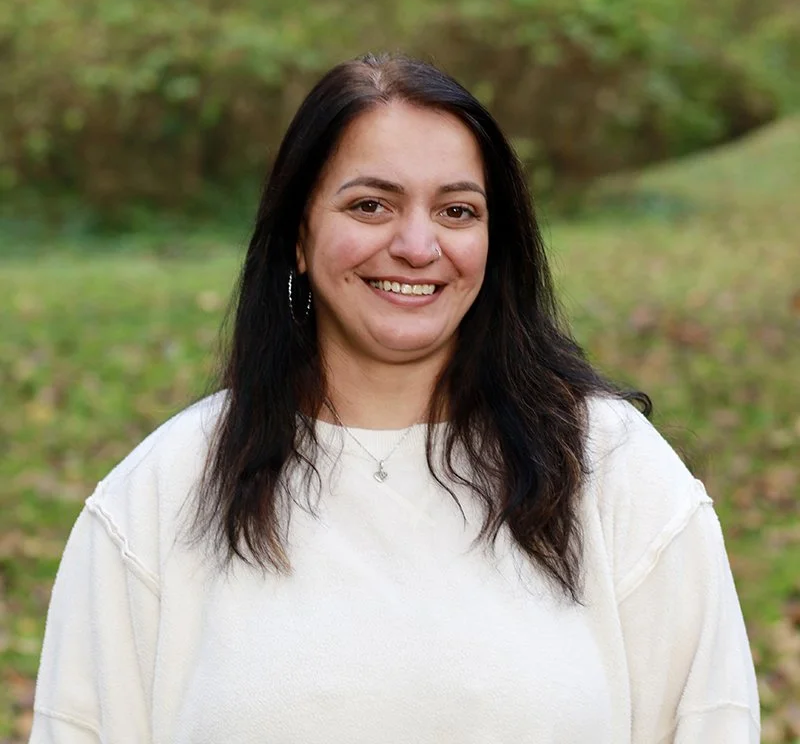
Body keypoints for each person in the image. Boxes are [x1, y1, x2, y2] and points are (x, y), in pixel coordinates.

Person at [30, 53, 759, 743]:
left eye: (457, 211)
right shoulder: (161, 495)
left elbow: (710, 721)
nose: (417, 244)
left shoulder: (613, 472)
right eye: (372, 205)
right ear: (298, 236)